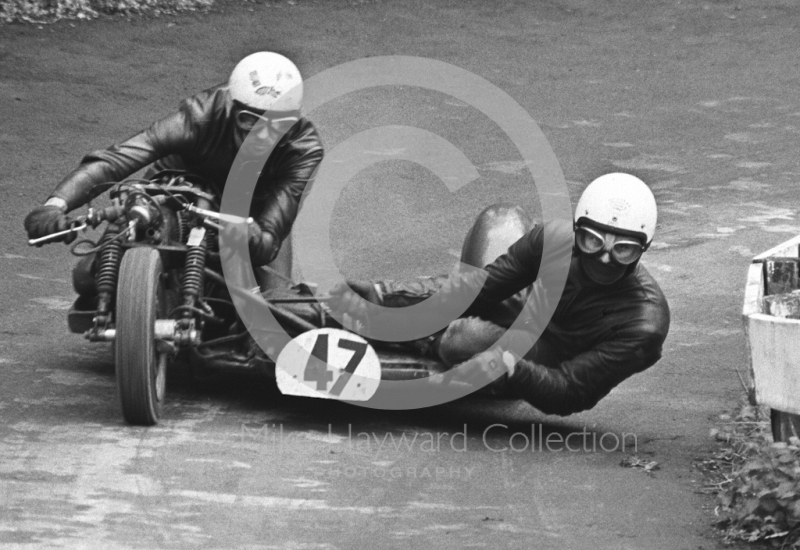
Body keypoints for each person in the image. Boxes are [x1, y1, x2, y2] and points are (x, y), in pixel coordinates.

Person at [328, 173, 670, 416]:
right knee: (501, 218)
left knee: (464, 338)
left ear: (644, 249)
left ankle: (427, 338)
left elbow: (571, 392)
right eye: (593, 241)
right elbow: (480, 288)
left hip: (551, 358)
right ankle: (404, 322)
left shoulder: (644, 327)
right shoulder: (554, 240)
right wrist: (385, 292)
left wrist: (513, 370)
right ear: (578, 231)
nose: (605, 258)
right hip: (527, 309)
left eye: (623, 249)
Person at [23, 51, 324, 293]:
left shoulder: (303, 150)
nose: (263, 133)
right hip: (175, 194)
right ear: (231, 108)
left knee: (275, 309)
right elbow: (119, 158)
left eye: (278, 123)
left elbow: (270, 239)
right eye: (250, 120)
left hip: (251, 217)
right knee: (88, 279)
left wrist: (254, 236)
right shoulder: (199, 116)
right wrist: (56, 205)